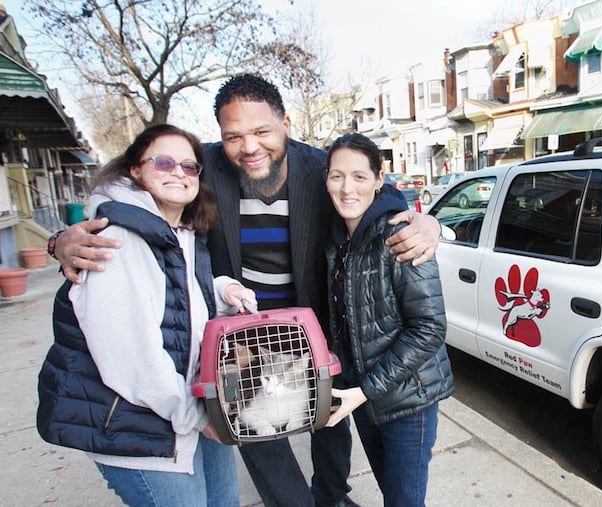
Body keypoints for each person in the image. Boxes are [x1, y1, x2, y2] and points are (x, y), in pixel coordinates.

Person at [49, 75, 442, 507]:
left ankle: (331, 496)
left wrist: (430, 223)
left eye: (261, 132)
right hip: (239, 337)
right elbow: (131, 193)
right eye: (233, 135)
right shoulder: (202, 169)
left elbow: (373, 195)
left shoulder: (319, 168)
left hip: (313, 329)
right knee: (257, 433)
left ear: (286, 124)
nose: (249, 146)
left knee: (328, 424)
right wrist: (61, 239)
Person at [37, 124, 257, 506]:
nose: (179, 172)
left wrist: (221, 289)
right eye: (165, 162)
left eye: (190, 167)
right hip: (142, 424)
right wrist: (197, 418)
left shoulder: (176, 232)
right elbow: (129, 354)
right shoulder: (117, 240)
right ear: (135, 170)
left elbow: (176, 295)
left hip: (188, 406)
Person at [323, 133, 454, 507]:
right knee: (395, 496)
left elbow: (429, 329)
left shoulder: (401, 234)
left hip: (408, 401)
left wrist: (364, 390)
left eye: (359, 176)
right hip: (365, 398)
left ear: (380, 180)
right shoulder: (337, 242)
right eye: (337, 176)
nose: (347, 188)